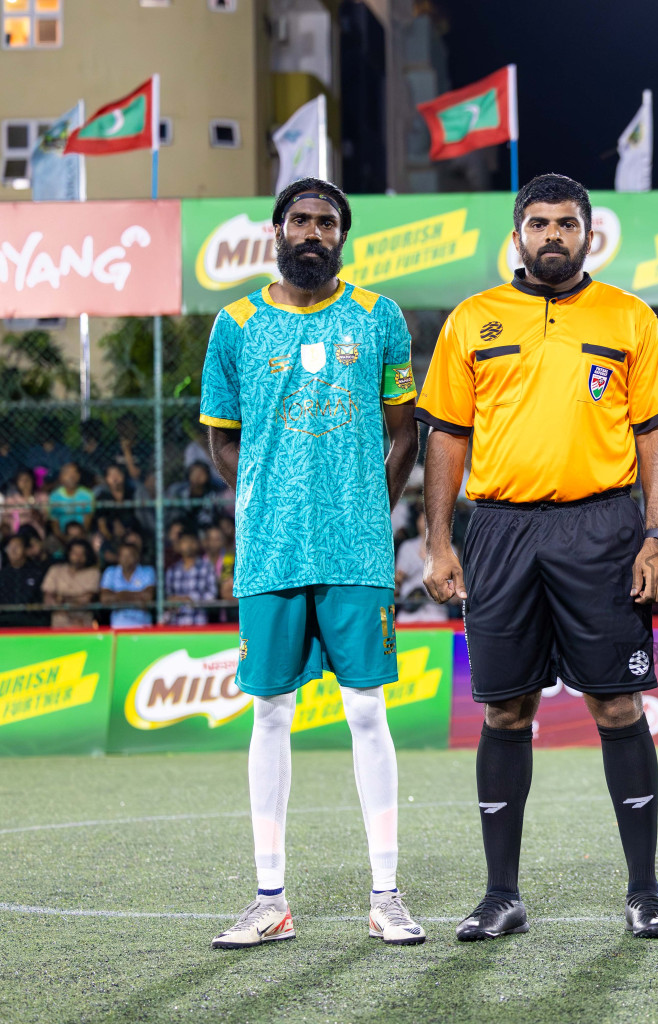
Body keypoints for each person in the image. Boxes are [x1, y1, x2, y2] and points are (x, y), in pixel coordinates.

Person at [414, 173, 658, 941]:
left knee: (617, 705)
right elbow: (446, 437)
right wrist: (440, 541)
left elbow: (657, 436)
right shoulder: (474, 319)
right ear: (518, 234)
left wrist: (656, 537)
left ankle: (645, 891)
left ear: (589, 234)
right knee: (504, 709)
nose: (553, 235)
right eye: (539, 223)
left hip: (602, 528)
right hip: (499, 532)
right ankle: (501, 894)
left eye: (567, 223)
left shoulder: (629, 317)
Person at [200, 177, 425, 950]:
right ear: (276, 228)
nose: (313, 232)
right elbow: (219, 435)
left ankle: (387, 894)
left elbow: (406, 430)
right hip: (268, 548)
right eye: (300, 219)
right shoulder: (233, 324)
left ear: (342, 237)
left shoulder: (380, 317)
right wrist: (265, 494)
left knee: (366, 710)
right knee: (269, 712)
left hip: (355, 547)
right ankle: (270, 899)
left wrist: (372, 503)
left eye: (327, 222)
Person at [394, 509, 450, 623]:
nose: (427, 521)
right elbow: (397, 581)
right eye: (423, 517)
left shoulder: (449, 549)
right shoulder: (407, 547)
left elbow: (452, 587)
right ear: (417, 521)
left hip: (436, 610)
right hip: (409, 610)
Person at [164, 529, 219, 626]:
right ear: (179, 545)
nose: (189, 545)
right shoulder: (172, 571)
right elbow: (167, 597)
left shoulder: (207, 567)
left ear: (198, 544)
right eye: (185, 541)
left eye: (192, 541)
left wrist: (191, 599)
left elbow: (212, 595)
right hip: (175, 624)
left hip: (198, 622)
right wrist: (172, 600)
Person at [42, 538, 101, 629]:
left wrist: (61, 598)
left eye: (82, 554)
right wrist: (66, 610)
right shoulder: (55, 570)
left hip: (83, 625)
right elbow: (48, 600)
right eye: (75, 553)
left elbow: (85, 599)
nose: (78, 557)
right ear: (69, 553)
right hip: (58, 626)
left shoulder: (93, 573)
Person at [99, 537, 155, 628]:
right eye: (123, 556)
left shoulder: (147, 571)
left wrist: (119, 595)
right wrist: (137, 598)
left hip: (143, 626)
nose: (126, 559)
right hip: (117, 626)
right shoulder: (110, 572)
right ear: (118, 557)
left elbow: (148, 597)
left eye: (129, 555)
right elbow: (104, 599)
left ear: (137, 557)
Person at [0, 532, 48, 627]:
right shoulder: (2, 574)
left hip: (30, 618)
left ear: (26, 550)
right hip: (5, 618)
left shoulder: (38, 573)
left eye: (17, 546)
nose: (13, 550)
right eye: (9, 547)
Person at [48, 462, 94, 536]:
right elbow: (55, 525)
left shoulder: (87, 495)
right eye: (67, 473)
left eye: (74, 472)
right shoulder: (54, 496)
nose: (71, 476)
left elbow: (87, 523)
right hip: (61, 536)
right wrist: (65, 540)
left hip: (82, 535)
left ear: (79, 476)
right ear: (61, 477)